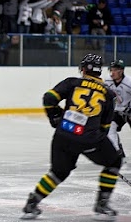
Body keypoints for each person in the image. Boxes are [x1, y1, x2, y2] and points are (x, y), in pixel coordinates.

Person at [21, 54, 122, 221]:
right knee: (114, 162)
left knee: (58, 172)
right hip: (89, 139)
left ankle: (32, 203)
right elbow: (105, 127)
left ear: (83, 69)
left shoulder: (72, 82)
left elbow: (49, 98)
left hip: (63, 136)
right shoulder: (107, 93)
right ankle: (102, 205)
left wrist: (55, 117)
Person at [104, 59, 131, 158]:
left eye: (115, 70)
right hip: (116, 111)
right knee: (110, 128)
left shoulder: (129, 82)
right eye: (111, 70)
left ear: (121, 71)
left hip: (128, 110)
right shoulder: (107, 80)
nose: (112, 72)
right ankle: (117, 152)